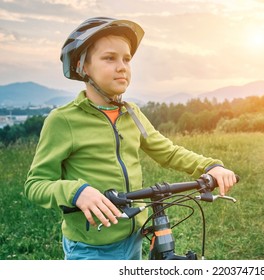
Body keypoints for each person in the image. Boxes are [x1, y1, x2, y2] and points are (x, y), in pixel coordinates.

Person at [24, 17, 237, 260]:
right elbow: (36, 185)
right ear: (84, 67)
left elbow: (168, 152)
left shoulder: (132, 113)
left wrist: (210, 166)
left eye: (126, 59)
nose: (122, 66)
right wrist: (76, 191)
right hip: (91, 248)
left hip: (134, 237)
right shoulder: (63, 120)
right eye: (109, 58)